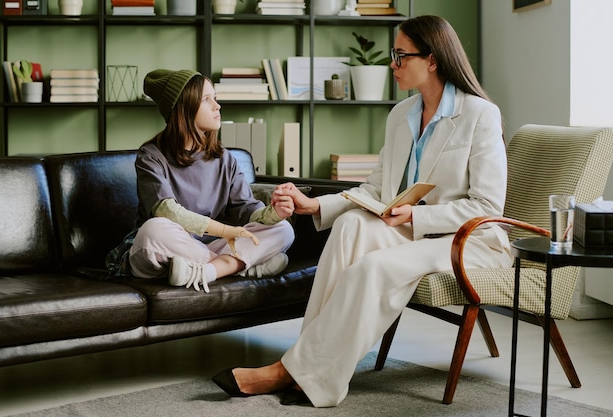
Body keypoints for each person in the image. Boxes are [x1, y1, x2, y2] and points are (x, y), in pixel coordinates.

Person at [211, 15, 513, 407]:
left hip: (468, 240)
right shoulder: (400, 116)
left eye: (401, 56)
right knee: (352, 224)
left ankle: (289, 371)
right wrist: (314, 204)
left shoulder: (480, 114)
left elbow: (488, 205)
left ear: (433, 60)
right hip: (412, 232)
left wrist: (417, 217)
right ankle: (311, 370)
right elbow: (374, 189)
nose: (392, 65)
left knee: (374, 267)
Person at [106, 69, 295, 291]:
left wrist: (274, 213)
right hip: (163, 250)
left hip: (204, 247)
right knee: (154, 229)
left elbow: (245, 209)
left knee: (283, 229)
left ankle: (205, 271)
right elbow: (166, 211)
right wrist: (226, 232)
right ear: (183, 109)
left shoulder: (224, 158)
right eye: (207, 99)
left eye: (215, 97)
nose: (217, 106)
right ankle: (240, 267)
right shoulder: (151, 155)